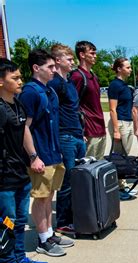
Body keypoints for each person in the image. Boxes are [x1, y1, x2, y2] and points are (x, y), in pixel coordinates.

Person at [0, 58, 48, 263]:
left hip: (20, 172)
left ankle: (19, 258)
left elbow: (24, 132)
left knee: (19, 220)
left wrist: (33, 157)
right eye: (15, 78)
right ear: (1, 82)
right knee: (6, 222)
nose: (20, 81)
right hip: (4, 178)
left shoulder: (17, 104)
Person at [19, 49, 68, 257]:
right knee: (40, 198)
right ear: (36, 68)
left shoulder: (48, 91)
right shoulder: (31, 92)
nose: (54, 71)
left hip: (53, 153)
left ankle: (49, 233)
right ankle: (42, 240)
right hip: (41, 156)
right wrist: (33, 156)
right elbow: (24, 128)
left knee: (49, 196)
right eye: (50, 67)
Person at [49, 44, 86, 239]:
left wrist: (82, 131)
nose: (72, 62)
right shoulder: (54, 83)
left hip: (77, 134)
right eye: (69, 59)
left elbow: (74, 108)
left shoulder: (70, 82)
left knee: (79, 180)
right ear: (57, 61)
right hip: (65, 136)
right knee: (67, 181)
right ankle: (63, 222)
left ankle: (74, 217)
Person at [70, 41, 106, 159]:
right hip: (89, 130)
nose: (95, 56)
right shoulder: (77, 76)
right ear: (82, 55)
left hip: (100, 127)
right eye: (92, 53)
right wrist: (80, 130)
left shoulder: (93, 76)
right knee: (88, 168)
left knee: (99, 167)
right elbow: (72, 105)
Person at [107, 57, 135, 200]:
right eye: (128, 67)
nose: (130, 70)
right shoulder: (115, 85)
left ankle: (122, 185)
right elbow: (112, 109)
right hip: (120, 123)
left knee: (125, 155)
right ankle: (117, 188)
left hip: (128, 122)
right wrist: (116, 130)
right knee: (118, 157)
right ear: (119, 69)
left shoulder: (125, 85)